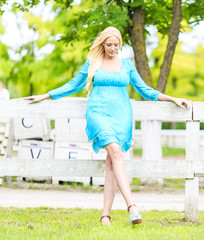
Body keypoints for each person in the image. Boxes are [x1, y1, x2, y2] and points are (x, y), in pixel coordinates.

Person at [25, 26, 191, 226]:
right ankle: (132, 207)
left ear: (120, 44)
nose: (113, 48)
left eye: (116, 45)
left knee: (112, 163)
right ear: (102, 44)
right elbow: (73, 85)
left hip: (121, 117)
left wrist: (172, 98)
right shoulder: (93, 62)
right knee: (115, 151)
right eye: (109, 45)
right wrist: (46, 95)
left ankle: (105, 216)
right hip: (98, 113)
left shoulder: (127, 65)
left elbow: (146, 90)